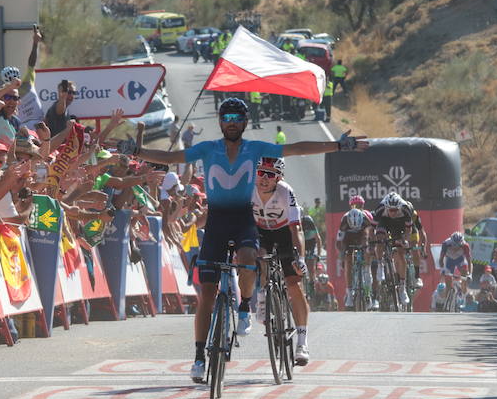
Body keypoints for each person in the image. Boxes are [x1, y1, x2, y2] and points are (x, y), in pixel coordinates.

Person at [122, 97, 367, 383]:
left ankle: (243, 308)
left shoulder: (256, 149)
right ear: (220, 122)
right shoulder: (208, 148)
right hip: (216, 223)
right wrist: (137, 151)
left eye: (237, 119)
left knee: (250, 260)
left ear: (245, 122)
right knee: (207, 296)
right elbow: (170, 158)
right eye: (227, 119)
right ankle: (200, 357)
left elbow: (297, 149)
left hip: (243, 222)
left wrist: (337, 146)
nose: (232, 123)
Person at [251, 156, 311, 365]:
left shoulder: (286, 192)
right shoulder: (248, 189)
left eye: (270, 175)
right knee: (257, 255)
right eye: (260, 173)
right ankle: (262, 294)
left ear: (278, 178)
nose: (264, 178)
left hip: (284, 234)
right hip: (260, 232)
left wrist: (300, 257)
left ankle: (302, 342)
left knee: (294, 283)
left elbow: (297, 228)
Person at [371, 192, 421, 307]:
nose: (392, 212)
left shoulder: (406, 209)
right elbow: (371, 229)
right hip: (385, 222)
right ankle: (380, 265)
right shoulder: (380, 209)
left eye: (395, 210)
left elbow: (408, 231)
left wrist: (404, 240)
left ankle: (402, 287)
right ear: (386, 207)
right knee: (379, 239)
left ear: (399, 207)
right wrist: (374, 242)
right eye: (390, 210)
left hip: (400, 226)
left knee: (401, 253)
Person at [336, 194, 374, 309]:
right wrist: (342, 254)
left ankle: (368, 291)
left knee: (367, 251)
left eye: (359, 205)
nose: (357, 206)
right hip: (349, 239)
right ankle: (349, 293)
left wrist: (371, 249)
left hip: (362, 237)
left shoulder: (366, 217)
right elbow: (339, 241)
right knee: (348, 259)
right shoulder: (345, 219)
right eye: (354, 205)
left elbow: (372, 235)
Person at [439, 231, 472, 305]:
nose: (456, 247)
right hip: (449, 261)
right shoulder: (445, 244)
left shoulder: (465, 245)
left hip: (460, 260)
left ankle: (463, 297)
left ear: (462, 243)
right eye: (454, 245)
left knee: (464, 277)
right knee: (448, 285)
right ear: (451, 241)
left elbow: (469, 261)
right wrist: (442, 270)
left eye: (458, 245)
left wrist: (469, 274)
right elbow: (441, 260)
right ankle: (446, 302)